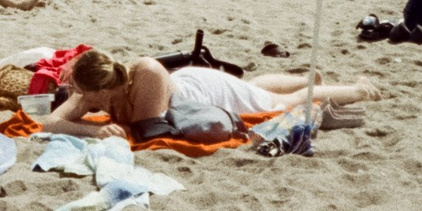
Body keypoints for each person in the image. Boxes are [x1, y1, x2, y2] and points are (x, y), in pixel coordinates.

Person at [42, 49, 377, 142]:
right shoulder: (92, 92)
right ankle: (303, 77)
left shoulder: (145, 74)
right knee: (256, 88)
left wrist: (95, 128)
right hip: (191, 84)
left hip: (201, 94)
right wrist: (94, 130)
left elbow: (146, 130)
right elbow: (50, 123)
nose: (74, 95)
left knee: (277, 103)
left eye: (80, 91)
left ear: (100, 90)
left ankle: (358, 90)